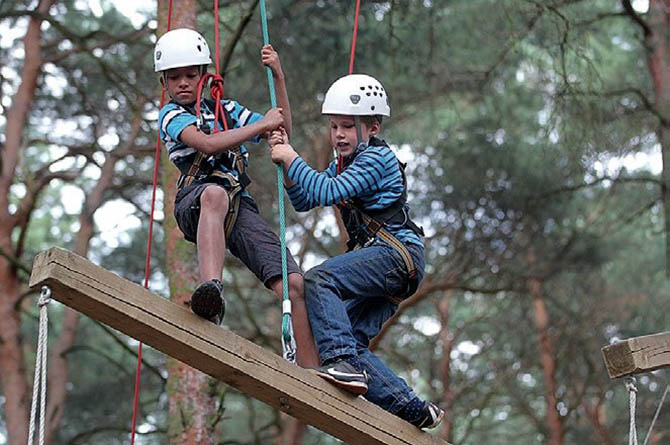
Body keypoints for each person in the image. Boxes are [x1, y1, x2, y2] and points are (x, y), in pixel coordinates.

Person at [267, 74, 444, 429]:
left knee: (320, 281)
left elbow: (324, 191)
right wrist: (287, 168)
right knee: (349, 335)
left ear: (373, 127)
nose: (339, 135)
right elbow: (303, 200)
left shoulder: (377, 160)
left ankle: (343, 363)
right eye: (334, 127)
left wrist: (292, 155)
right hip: (391, 265)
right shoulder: (344, 163)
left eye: (348, 126)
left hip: (396, 254)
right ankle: (411, 407)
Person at [154, 28, 318, 367]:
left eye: (190, 75)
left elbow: (281, 127)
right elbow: (208, 145)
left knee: (295, 282)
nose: (183, 83)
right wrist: (261, 127)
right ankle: (211, 289)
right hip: (195, 200)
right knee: (214, 195)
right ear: (164, 83)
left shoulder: (226, 110)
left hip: (238, 205)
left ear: (204, 75)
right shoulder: (170, 115)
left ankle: (312, 369)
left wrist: (279, 77)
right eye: (175, 78)